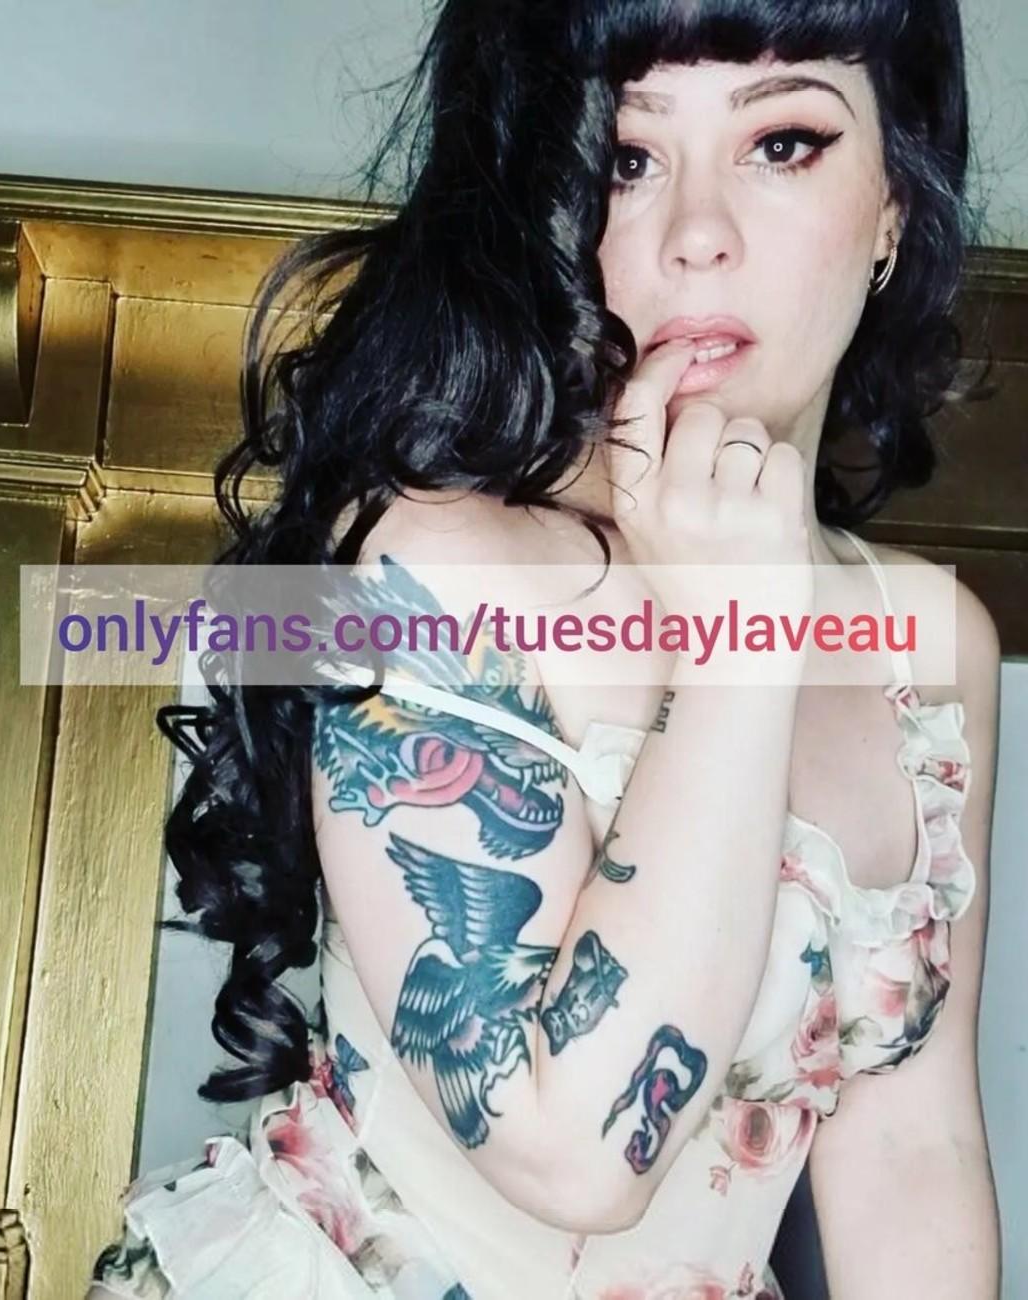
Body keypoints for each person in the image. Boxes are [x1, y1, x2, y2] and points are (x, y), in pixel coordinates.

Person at [87, 1, 1003, 1296]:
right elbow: (577, 1154)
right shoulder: (433, 565)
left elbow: (914, 1148)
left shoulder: (929, 645)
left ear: (895, 202)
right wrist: (740, 642)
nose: (699, 234)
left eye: (782, 143)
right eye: (630, 156)